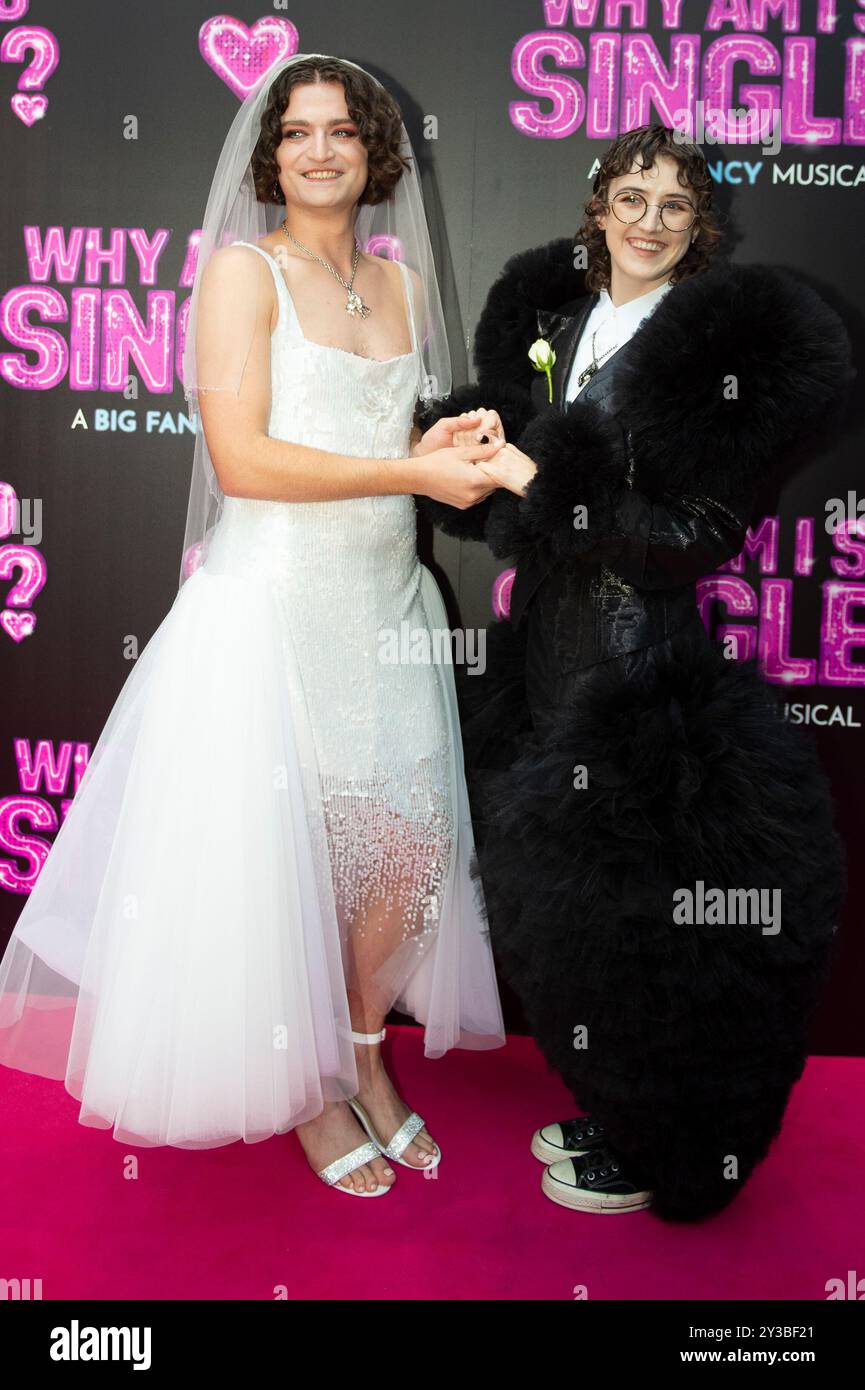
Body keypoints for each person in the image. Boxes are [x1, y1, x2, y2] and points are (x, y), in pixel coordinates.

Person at [0, 53, 506, 1197]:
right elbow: (243, 461)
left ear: (374, 154)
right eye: (298, 133)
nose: (320, 149)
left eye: (341, 131)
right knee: (286, 867)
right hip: (271, 611)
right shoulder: (243, 274)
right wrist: (406, 473)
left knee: (407, 863)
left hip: (388, 606)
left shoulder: (404, 290)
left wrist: (443, 458)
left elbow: (399, 449)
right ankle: (310, 1089)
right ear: (271, 158)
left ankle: (364, 1053)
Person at [415, 124, 853, 1219]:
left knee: (649, 935)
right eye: (632, 196)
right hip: (542, 670)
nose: (650, 221)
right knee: (567, 927)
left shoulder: (721, 356)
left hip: (637, 673)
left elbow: (692, 539)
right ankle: (619, 1109)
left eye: (675, 204)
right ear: (597, 210)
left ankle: (674, 1141)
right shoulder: (557, 322)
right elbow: (520, 519)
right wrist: (461, 459)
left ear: (700, 225)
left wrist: (534, 469)